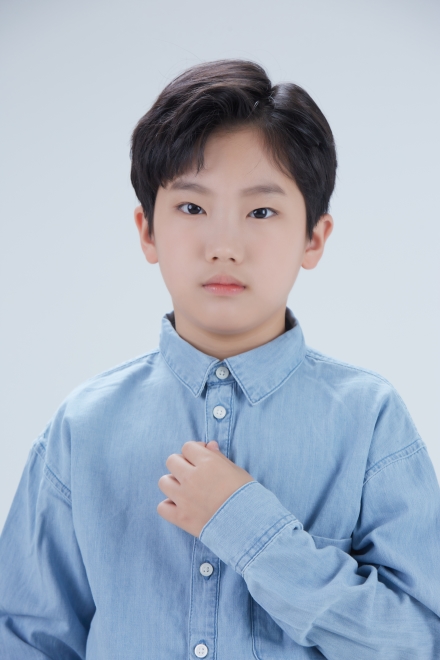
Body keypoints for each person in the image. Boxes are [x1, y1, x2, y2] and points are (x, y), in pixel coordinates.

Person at [0, 59, 439, 660]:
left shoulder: (370, 421)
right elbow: (26, 639)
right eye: (191, 208)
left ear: (314, 237)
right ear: (147, 231)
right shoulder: (82, 426)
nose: (224, 246)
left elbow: (419, 641)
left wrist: (250, 530)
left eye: (261, 212)